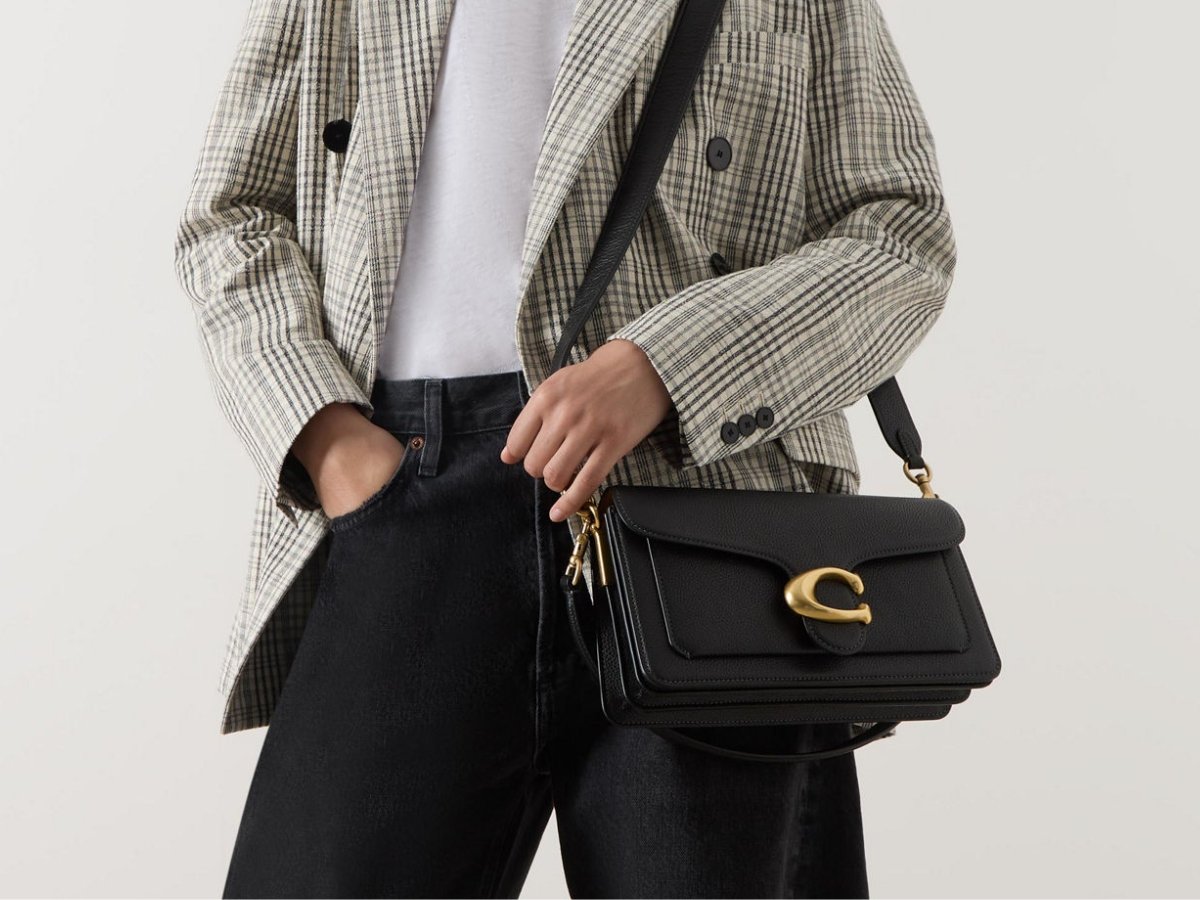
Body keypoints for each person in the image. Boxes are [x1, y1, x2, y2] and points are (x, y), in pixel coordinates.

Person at [174, 0, 956, 896]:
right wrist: (330, 441)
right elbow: (233, 212)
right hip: (404, 498)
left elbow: (900, 232)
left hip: (705, 515)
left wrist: (669, 366)